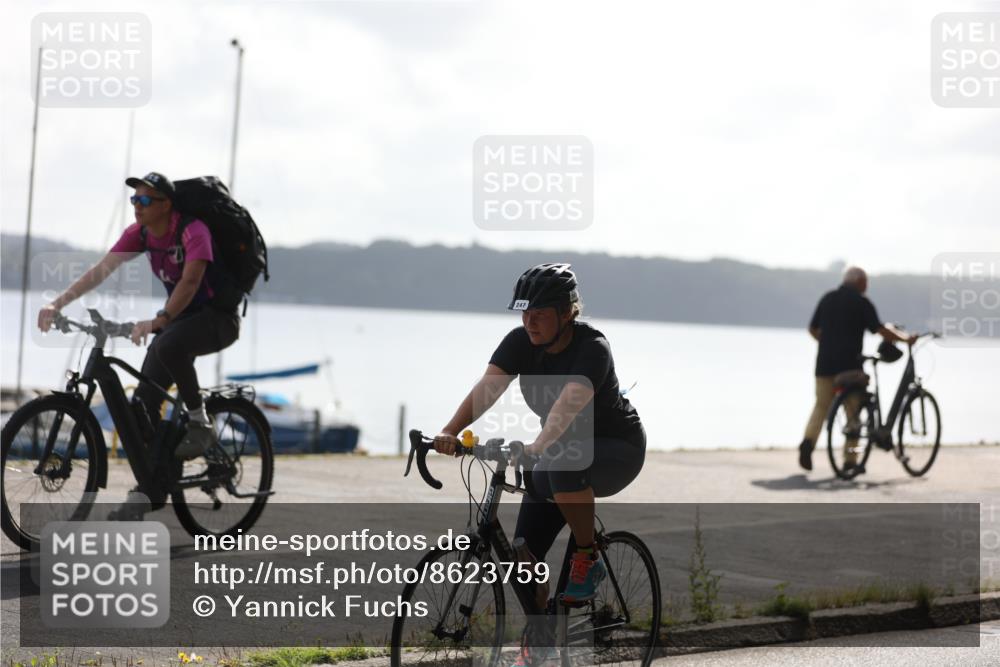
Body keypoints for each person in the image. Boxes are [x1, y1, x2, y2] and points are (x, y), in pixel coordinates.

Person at [432, 263, 646, 666]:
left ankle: (588, 556)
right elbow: (487, 389)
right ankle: (541, 639)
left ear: (567, 313)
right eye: (524, 313)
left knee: (561, 465)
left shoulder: (592, 348)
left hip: (617, 448)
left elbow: (567, 406)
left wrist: (538, 446)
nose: (529, 322)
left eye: (540, 314)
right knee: (523, 560)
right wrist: (449, 432)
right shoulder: (520, 342)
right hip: (561, 451)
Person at [37, 171, 239, 459]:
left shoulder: (193, 231)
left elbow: (191, 282)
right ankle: (158, 473)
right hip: (179, 319)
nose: (137, 206)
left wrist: (161, 319)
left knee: (168, 345)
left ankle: (200, 422)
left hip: (218, 318)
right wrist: (56, 305)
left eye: (145, 200)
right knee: (142, 408)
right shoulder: (140, 233)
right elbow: (101, 270)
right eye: (134, 199)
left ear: (166, 204)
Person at [798, 266, 916, 472]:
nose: (867, 286)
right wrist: (905, 339)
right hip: (850, 367)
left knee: (821, 406)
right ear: (860, 282)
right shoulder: (861, 302)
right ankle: (850, 460)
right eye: (866, 282)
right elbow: (879, 329)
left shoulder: (828, 298)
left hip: (824, 365)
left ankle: (808, 443)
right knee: (853, 413)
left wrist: (826, 344)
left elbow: (812, 329)